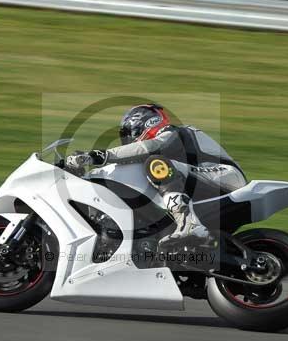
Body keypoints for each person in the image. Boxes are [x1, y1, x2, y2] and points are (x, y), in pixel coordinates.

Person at [65, 103, 246, 244]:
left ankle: (188, 222)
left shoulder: (171, 132)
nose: (128, 140)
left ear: (142, 123)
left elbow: (149, 148)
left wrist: (100, 156)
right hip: (203, 183)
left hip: (226, 176)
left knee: (155, 164)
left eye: (129, 133)